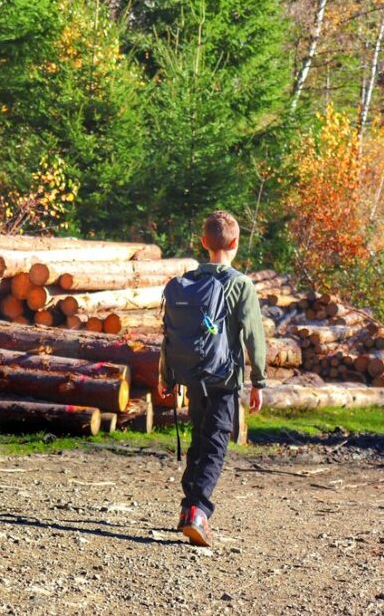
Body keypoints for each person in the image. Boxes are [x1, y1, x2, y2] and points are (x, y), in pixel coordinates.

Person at [159, 211, 268, 547]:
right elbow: (253, 336)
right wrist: (259, 381)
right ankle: (197, 511)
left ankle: (187, 509)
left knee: (199, 441)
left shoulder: (185, 283)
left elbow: (169, 333)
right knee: (215, 445)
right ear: (234, 243)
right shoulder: (240, 284)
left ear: (204, 242)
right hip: (224, 379)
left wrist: (166, 376)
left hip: (193, 377)